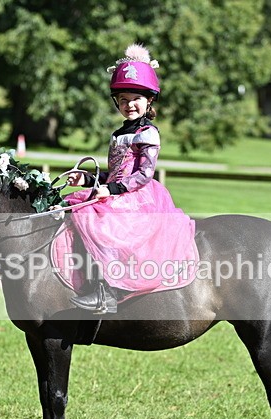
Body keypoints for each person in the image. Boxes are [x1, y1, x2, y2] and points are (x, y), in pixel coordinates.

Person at [64, 44, 198, 314]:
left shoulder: (148, 133)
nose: (129, 105)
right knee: (74, 212)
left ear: (149, 101)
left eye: (136, 99)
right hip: (117, 190)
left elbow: (143, 175)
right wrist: (88, 180)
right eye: (123, 99)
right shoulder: (119, 133)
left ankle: (110, 291)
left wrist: (111, 189)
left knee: (101, 224)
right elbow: (115, 172)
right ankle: (79, 279)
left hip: (137, 196)